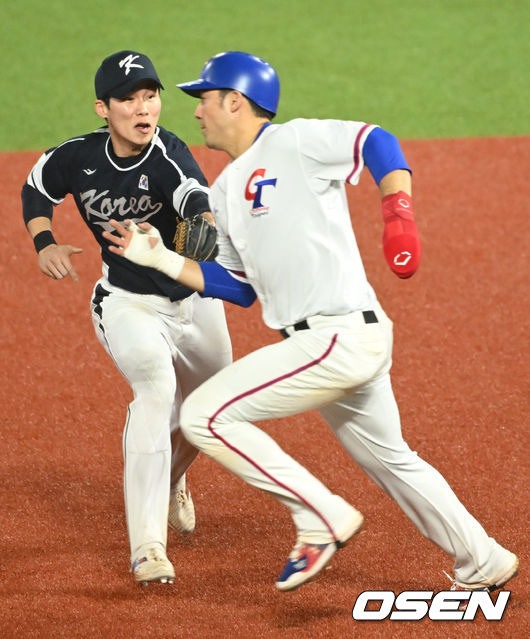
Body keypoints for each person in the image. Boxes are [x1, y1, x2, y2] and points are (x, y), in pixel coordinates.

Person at [103, 51, 519, 594]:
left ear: (236, 101)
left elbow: (376, 141)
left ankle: (317, 516)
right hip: (330, 345)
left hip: (338, 335)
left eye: (204, 98)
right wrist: (159, 257)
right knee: (392, 461)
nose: (198, 111)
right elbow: (239, 287)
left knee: (204, 413)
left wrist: (398, 218)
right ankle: (481, 558)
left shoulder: (294, 142)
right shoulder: (226, 190)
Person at [21, 50, 233, 585]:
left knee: (211, 409)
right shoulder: (80, 156)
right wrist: (43, 240)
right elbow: (36, 186)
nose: (145, 108)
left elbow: (194, 198)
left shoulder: (169, 154)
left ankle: (169, 477)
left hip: (194, 302)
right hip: (127, 304)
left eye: (151, 95)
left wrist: (202, 224)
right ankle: (147, 548)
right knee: (157, 391)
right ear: (103, 108)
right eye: (129, 99)